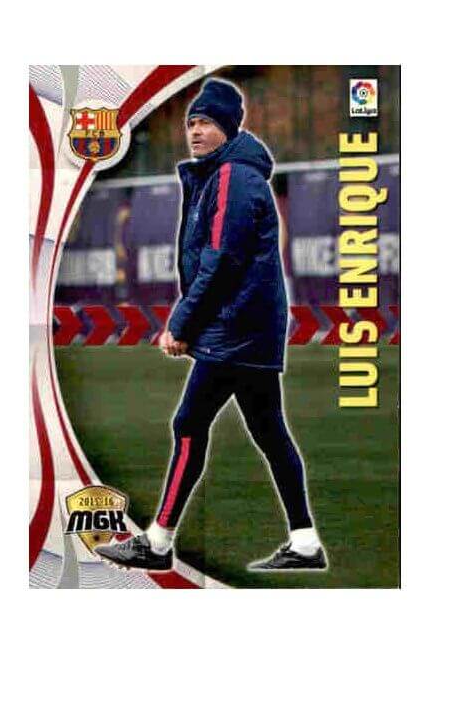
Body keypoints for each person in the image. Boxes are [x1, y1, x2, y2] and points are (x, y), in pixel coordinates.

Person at [96, 78, 326, 572]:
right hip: (247, 328)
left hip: (236, 331)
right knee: (270, 431)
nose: (195, 132)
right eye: (191, 124)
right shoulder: (228, 174)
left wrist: (182, 323)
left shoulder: (232, 177)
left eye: (205, 123)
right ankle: (306, 543)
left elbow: (221, 260)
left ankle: (158, 542)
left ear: (227, 127)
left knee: (188, 425)